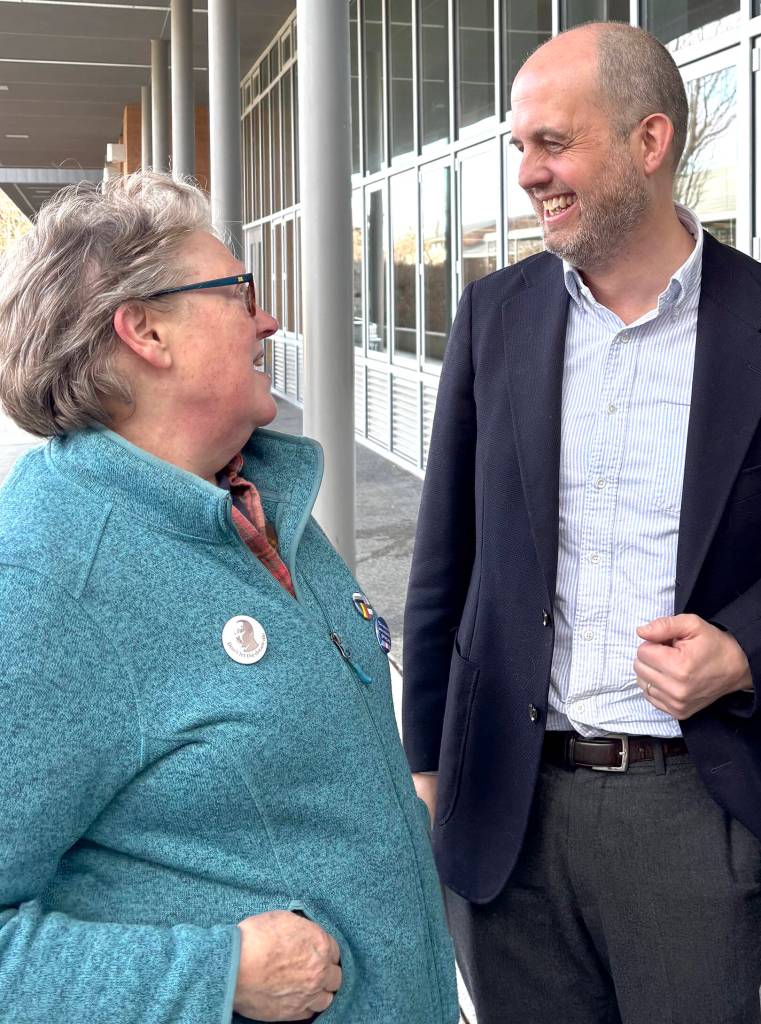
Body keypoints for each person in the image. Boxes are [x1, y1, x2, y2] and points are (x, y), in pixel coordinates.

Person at [0, 171, 458, 1024]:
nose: (268, 319)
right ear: (144, 331)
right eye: (238, 292)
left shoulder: (251, 503)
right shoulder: (48, 580)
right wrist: (212, 972)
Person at [403, 21, 761, 1024]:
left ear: (649, 143)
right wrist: (424, 772)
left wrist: (740, 648)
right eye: (518, 146)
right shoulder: (493, 315)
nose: (526, 173)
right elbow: (443, 561)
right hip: (505, 813)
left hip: (692, 807)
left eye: (550, 143)